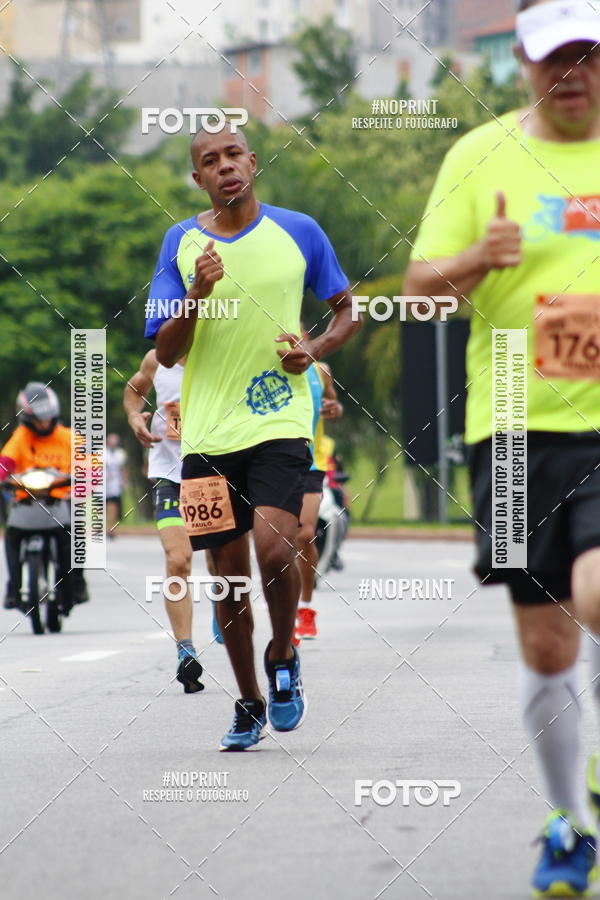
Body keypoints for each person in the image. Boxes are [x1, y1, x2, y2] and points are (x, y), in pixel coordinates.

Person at [404, 0, 600, 894]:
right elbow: (418, 290)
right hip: (514, 425)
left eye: (591, 58)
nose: (575, 77)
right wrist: (479, 257)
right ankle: (570, 824)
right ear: (522, 66)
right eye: (556, 61)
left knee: (598, 588)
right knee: (549, 647)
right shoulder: (478, 156)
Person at [145, 123, 360, 750]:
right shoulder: (180, 244)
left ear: (253, 162)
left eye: (233, 155)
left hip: (278, 421)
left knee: (275, 550)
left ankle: (284, 652)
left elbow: (347, 307)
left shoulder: (299, 231)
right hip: (207, 435)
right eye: (210, 161)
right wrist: (196, 293)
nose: (225, 167)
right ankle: (246, 702)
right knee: (229, 575)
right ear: (198, 178)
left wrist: (313, 348)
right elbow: (166, 350)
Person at [124, 350, 224, 694]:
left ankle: (222, 603)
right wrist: (135, 417)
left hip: (214, 478)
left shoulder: (223, 354)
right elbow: (134, 390)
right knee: (178, 560)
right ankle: (186, 650)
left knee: (218, 561)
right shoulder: (156, 360)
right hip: (171, 477)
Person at [0, 383, 88, 611]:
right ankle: (13, 586)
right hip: (27, 498)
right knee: (12, 535)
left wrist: (83, 483)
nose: (44, 423)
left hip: (61, 498)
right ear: (28, 418)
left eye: (47, 417)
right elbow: (6, 462)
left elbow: (88, 464)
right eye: (39, 419)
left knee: (76, 532)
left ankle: (75, 583)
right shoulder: (21, 437)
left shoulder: (68, 437)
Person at [295, 353, 343, 641]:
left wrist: (333, 408)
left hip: (312, 462)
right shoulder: (262, 366)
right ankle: (284, 613)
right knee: (278, 543)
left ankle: (306, 608)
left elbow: (332, 403)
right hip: (273, 464)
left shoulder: (320, 370)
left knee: (305, 534)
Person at [105, 433, 127, 538]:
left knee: (113, 507)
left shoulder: (120, 454)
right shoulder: (101, 453)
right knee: (103, 508)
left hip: (115, 484)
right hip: (102, 484)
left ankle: (111, 529)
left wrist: (124, 482)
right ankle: (103, 528)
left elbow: (123, 469)